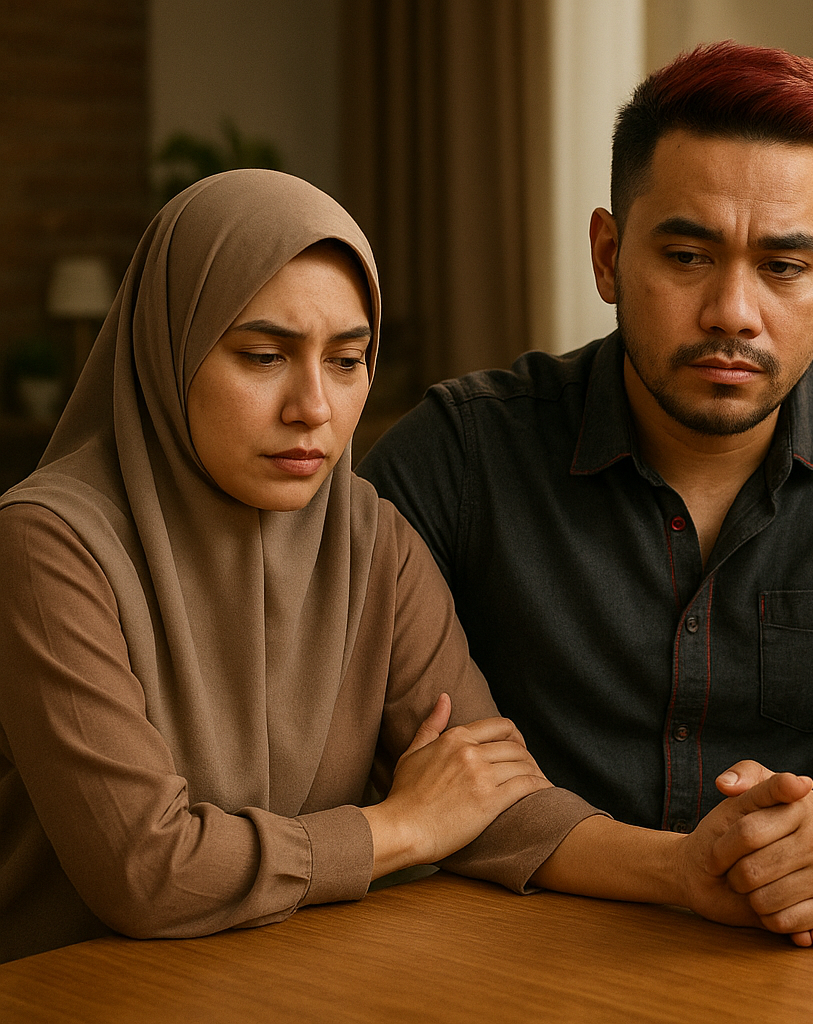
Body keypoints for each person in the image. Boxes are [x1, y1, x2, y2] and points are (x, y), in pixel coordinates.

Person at [359, 41, 813, 946]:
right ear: (607, 254)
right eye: (686, 254)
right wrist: (678, 873)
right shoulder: (458, 454)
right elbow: (422, 769)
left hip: (802, 958)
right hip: (509, 946)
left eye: (784, 268)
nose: (733, 312)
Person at [0, 169, 629, 962]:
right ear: (169, 349)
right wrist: (399, 827)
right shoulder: (46, 547)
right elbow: (148, 872)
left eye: (346, 360)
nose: (315, 408)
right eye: (264, 356)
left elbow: (489, 794)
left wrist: (693, 870)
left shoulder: (375, 542)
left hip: (287, 983)